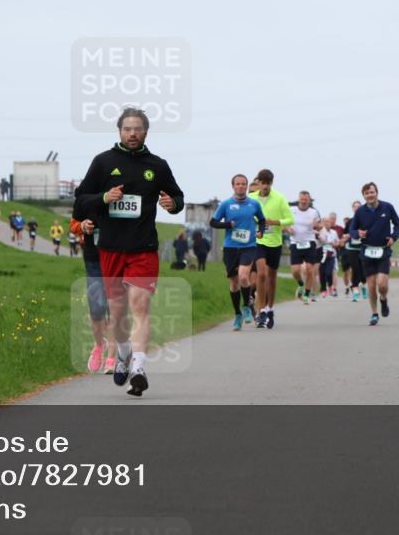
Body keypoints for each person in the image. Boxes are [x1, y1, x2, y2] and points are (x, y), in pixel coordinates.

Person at [74, 107, 184, 397]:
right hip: (109, 249)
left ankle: (138, 367)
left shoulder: (157, 166)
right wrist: (103, 197)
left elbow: (178, 195)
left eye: (138, 129)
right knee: (119, 313)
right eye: (127, 129)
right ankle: (123, 353)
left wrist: (174, 204)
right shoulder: (103, 162)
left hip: (143, 249)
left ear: (146, 132)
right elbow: (80, 202)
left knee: (140, 307)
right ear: (119, 131)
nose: (132, 133)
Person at [210, 174, 266, 330]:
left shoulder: (254, 204)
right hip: (230, 247)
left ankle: (247, 306)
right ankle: (237, 314)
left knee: (243, 276)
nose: (241, 186)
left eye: (243, 184)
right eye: (238, 184)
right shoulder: (226, 204)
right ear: (233, 186)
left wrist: (261, 231)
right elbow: (213, 222)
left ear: (247, 186)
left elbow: (262, 220)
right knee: (234, 282)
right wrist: (227, 224)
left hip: (249, 246)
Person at [348, 182, 399, 326]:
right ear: (364, 196)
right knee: (371, 286)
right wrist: (357, 233)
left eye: (371, 192)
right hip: (366, 250)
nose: (369, 195)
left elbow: (398, 224)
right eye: (366, 193)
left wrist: (393, 237)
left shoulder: (387, 207)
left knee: (382, 284)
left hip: (383, 250)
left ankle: (383, 299)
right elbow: (352, 230)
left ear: (376, 192)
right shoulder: (360, 212)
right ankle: (374, 313)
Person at [248, 169, 294, 328]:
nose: (265, 186)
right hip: (258, 240)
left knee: (272, 277)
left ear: (271, 183)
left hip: (274, 242)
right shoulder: (251, 198)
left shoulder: (279, 198)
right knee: (261, 273)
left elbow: (290, 219)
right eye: (263, 183)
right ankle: (261, 311)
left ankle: (270, 308)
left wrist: (274, 222)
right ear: (258, 183)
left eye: (268, 183)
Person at [70, 215, 113, 373]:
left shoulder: (120, 194)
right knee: (96, 309)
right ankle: (100, 345)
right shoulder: (87, 197)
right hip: (94, 260)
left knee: (115, 308)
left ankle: (113, 358)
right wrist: (82, 226)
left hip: (117, 258)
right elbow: (73, 225)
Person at [289, 191, 323, 306]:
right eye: (302, 199)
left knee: (310, 269)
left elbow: (320, 225)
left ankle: (307, 295)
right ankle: (300, 284)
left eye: (306, 199)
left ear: (309, 200)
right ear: (299, 199)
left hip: (309, 242)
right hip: (295, 242)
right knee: (295, 270)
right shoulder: (291, 210)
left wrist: (317, 226)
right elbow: (284, 223)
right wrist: (288, 229)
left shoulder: (314, 212)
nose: (304, 201)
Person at [339, 201, 364, 302]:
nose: (357, 208)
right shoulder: (350, 222)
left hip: (363, 248)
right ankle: (355, 290)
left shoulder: (366, 220)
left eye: (359, 206)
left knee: (363, 269)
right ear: (352, 208)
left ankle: (363, 284)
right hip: (352, 248)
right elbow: (344, 234)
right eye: (355, 206)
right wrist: (346, 236)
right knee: (355, 268)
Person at [319, 214, 342, 298]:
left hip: (331, 255)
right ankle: (323, 290)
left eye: (328, 222)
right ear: (323, 223)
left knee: (329, 272)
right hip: (321, 255)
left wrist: (335, 244)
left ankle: (331, 286)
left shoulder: (334, 232)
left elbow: (338, 242)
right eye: (325, 222)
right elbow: (318, 241)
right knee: (322, 273)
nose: (327, 223)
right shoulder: (320, 231)